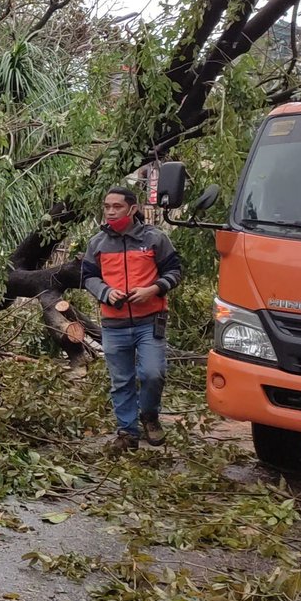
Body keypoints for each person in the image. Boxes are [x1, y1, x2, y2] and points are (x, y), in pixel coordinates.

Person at [82, 185, 183, 451]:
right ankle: (127, 433)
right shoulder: (97, 243)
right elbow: (88, 277)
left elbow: (175, 272)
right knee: (121, 381)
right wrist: (106, 293)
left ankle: (149, 415)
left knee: (152, 373)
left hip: (150, 321)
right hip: (113, 325)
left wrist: (153, 289)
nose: (111, 212)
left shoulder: (155, 238)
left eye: (117, 207)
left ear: (132, 209)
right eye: (107, 207)